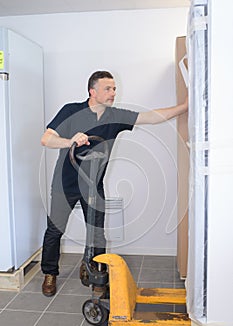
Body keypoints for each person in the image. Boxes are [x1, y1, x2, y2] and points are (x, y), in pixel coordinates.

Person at [41, 70, 188, 297]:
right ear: (93, 91)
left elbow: (151, 117)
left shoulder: (114, 117)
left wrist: (184, 107)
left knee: (97, 233)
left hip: (93, 186)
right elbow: (46, 138)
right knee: (54, 231)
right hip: (65, 184)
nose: (113, 93)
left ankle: (96, 272)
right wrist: (69, 140)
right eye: (107, 88)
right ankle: (49, 273)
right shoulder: (71, 111)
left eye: (114, 88)